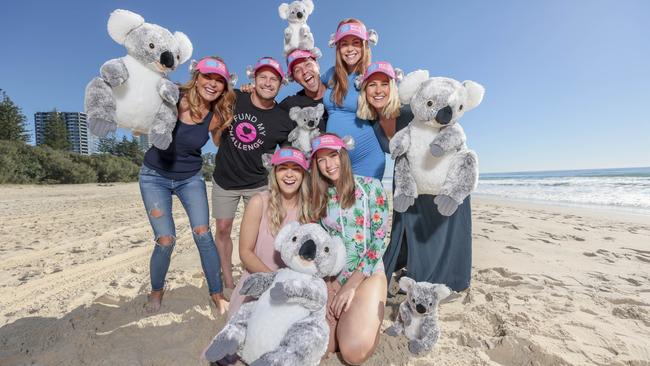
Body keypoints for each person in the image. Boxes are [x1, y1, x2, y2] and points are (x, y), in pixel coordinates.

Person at [357, 61, 473, 292]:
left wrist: (454, 182)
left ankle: (444, 280)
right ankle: (411, 273)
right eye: (372, 85)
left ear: (394, 87)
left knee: (440, 235)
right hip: (409, 180)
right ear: (364, 91)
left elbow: (451, 131)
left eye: (384, 84)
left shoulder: (412, 109)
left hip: (441, 179)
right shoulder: (370, 122)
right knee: (409, 232)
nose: (378, 90)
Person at [139, 56, 235, 314]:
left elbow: (218, 143)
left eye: (219, 81)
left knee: (203, 234)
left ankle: (216, 294)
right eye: (208, 77)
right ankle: (156, 291)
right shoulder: (172, 95)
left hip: (190, 178)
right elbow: (140, 108)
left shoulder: (216, 115)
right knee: (166, 239)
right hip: (154, 176)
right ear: (197, 76)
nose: (212, 84)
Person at [211, 56, 294, 291]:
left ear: (281, 84)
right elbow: (216, 139)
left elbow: (286, 159)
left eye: (273, 79)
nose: (268, 83)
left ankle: (255, 275)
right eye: (263, 77)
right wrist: (220, 128)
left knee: (260, 235)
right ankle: (228, 280)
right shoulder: (236, 97)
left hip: (258, 184)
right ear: (253, 79)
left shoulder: (283, 119)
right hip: (224, 179)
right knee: (224, 229)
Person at [310, 133, 389, 365]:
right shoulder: (319, 198)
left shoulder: (371, 187)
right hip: (334, 278)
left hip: (367, 276)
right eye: (321, 160)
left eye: (333, 156)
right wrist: (327, 284)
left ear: (343, 155)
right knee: (323, 349)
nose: (328, 165)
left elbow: (380, 239)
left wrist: (351, 286)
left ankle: (372, 318)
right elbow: (321, 246)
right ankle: (354, 318)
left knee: (352, 353)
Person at [228, 147, 311, 318]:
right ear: (274, 173)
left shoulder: (309, 209)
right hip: (259, 280)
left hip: (292, 287)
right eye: (283, 168)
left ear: (303, 174)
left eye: (295, 169)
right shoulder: (259, 202)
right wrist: (274, 281)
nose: (289, 174)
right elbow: (245, 252)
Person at [322, 18, 385, 180]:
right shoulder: (331, 74)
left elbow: (392, 104)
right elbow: (309, 89)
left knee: (365, 204)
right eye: (344, 44)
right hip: (334, 160)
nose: (350, 49)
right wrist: (254, 89)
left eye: (355, 43)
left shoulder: (372, 74)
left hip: (367, 160)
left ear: (365, 45)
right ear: (338, 48)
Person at [278, 49, 328, 131]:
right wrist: (252, 93)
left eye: (308, 64)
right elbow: (266, 114)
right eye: (297, 70)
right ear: (295, 79)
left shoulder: (339, 91)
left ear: (317, 65)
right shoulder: (290, 105)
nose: (304, 71)